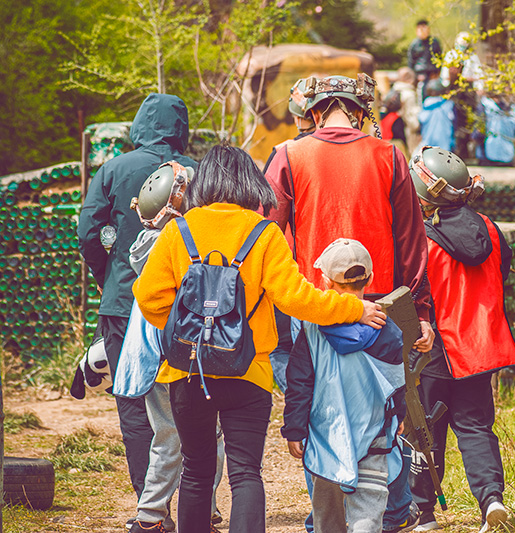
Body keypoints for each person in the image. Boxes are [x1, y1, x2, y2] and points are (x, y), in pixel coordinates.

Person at [133, 144, 387, 533]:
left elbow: (147, 297)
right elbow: (298, 300)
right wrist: (355, 309)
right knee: (246, 473)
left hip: (187, 373)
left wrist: (188, 327)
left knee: (197, 471)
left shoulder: (176, 232)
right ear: (249, 183)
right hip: (247, 373)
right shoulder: (264, 235)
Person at [264, 72, 433, 532]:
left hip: (312, 306)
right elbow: (412, 243)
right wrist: (421, 314)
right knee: (386, 408)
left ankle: (327, 517)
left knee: (319, 407)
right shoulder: (389, 157)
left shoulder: (288, 155)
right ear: (361, 112)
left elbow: (266, 232)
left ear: (314, 112)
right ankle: (390, 511)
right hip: (381, 309)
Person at [78, 93, 196, 526]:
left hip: (125, 302)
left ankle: (150, 508)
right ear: (182, 126)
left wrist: (108, 277)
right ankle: (199, 499)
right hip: (187, 305)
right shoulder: (197, 172)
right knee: (189, 395)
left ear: (139, 125)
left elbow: (89, 232)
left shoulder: (114, 168)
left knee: (132, 396)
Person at [407, 147, 515, 532]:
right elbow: (501, 274)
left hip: (434, 350)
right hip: (478, 349)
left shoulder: (421, 238)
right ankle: (491, 499)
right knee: (475, 427)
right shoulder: (488, 228)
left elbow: (411, 293)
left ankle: (423, 513)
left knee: (424, 431)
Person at [115, 162, 225, 533]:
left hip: (150, 358)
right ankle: (172, 512)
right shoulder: (179, 244)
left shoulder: (144, 245)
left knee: (168, 438)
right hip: (180, 355)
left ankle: (155, 513)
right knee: (207, 435)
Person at [282, 238, 407, 533]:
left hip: (326, 433)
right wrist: (399, 416)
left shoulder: (311, 327)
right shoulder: (387, 327)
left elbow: (299, 383)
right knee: (370, 502)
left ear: (325, 281)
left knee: (326, 509)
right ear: (371, 279)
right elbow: (397, 382)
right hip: (374, 429)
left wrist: (294, 429)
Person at [263, 77, 318, 394]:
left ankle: (304, 406)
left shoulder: (285, 153)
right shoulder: (363, 150)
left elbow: (269, 218)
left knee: (285, 348)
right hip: (356, 274)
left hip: (298, 268)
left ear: (297, 116)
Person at [440, 32, 484, 160]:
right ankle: (456, 148)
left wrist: (478, 87)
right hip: (455, 92)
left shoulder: (472, 57)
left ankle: (466, 149)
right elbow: (445, 75)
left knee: (468, 119)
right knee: (455, 118)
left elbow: (478, 73)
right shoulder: (451, 55)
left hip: (468, 92)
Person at [407, 20, 442, 99]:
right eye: (420, 28)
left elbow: (439, 58)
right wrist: (415, 76)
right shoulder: (414, 44)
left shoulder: (434, 42)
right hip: (420, 75)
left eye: (424, 28)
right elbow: (411, 62)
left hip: (433, 74)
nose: (422, 31)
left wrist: (437, 73)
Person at [418, 81, 455, 153]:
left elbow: (421, 120)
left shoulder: (425, 105)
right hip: (444, 143)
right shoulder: (448, 104)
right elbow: (454, 121)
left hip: (428, 143)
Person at [393, 67, 422, 152]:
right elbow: (413, 120)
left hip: (396, 130)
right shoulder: (409, 94)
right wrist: (418, 129)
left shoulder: (396, 91)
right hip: (408, 131)